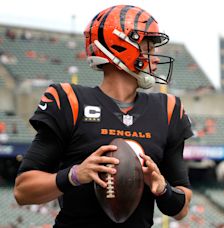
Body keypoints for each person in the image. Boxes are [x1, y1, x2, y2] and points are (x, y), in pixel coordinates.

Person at [13, 4, 193, 227]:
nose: (154, 57)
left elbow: (182, 209)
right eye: (148, 46)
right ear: (119, 46)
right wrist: (76, 174)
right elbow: (23, 190)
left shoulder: (168, 109)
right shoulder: (70, 102)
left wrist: (163, 189)